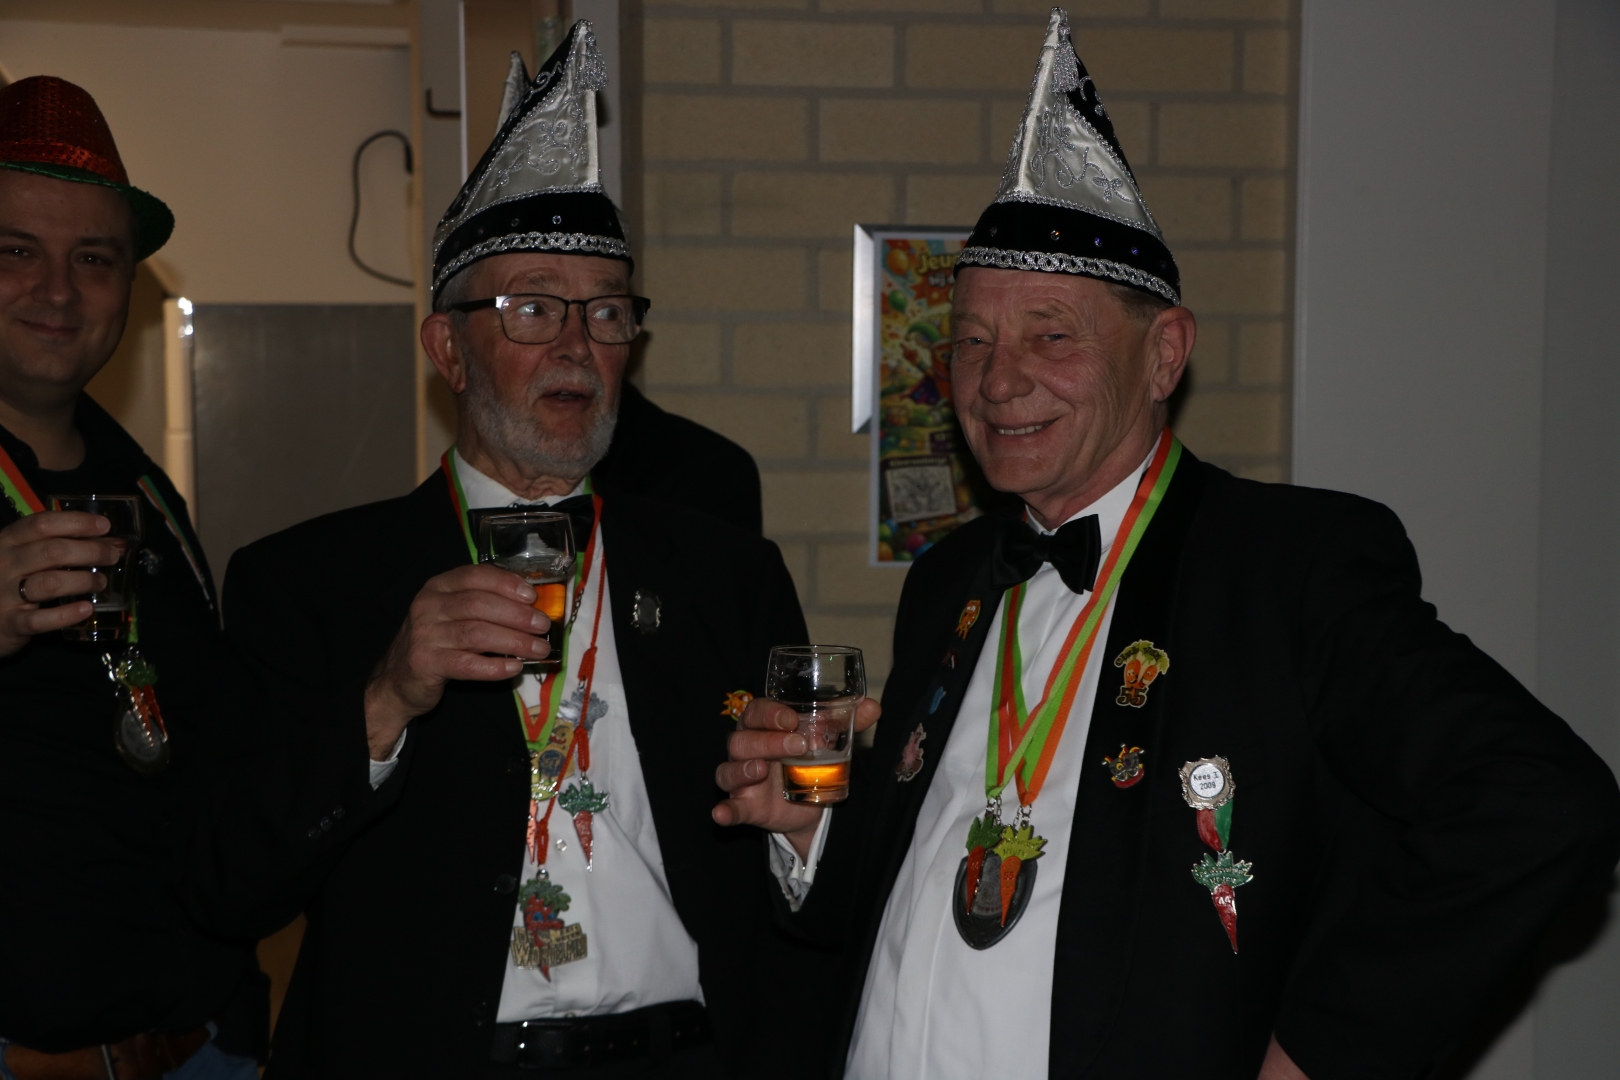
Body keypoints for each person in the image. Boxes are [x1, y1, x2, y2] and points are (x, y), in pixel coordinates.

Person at [712, 11, 1620, 1080]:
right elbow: (905, 884)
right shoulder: (951, 578)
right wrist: (811, 831)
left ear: (1164, 355)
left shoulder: (1285, 567)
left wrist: (1322, 1052)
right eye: (973, 342)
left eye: (1052, 335)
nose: (998, 380)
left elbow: (1540, 803)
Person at [194, 24, 814, 1078]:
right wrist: (386, 699)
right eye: (531, 308)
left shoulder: (723, 575)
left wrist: (813, 828)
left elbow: (797, 888)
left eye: (606, 311)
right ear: (448, 347)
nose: (576, 344)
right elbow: (226, 885)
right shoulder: (309, 583)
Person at [0, 77, 265, 1079]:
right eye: (15, 251)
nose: (57, 291)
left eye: (93, 258)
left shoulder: (147, 492)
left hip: (201, 1053)